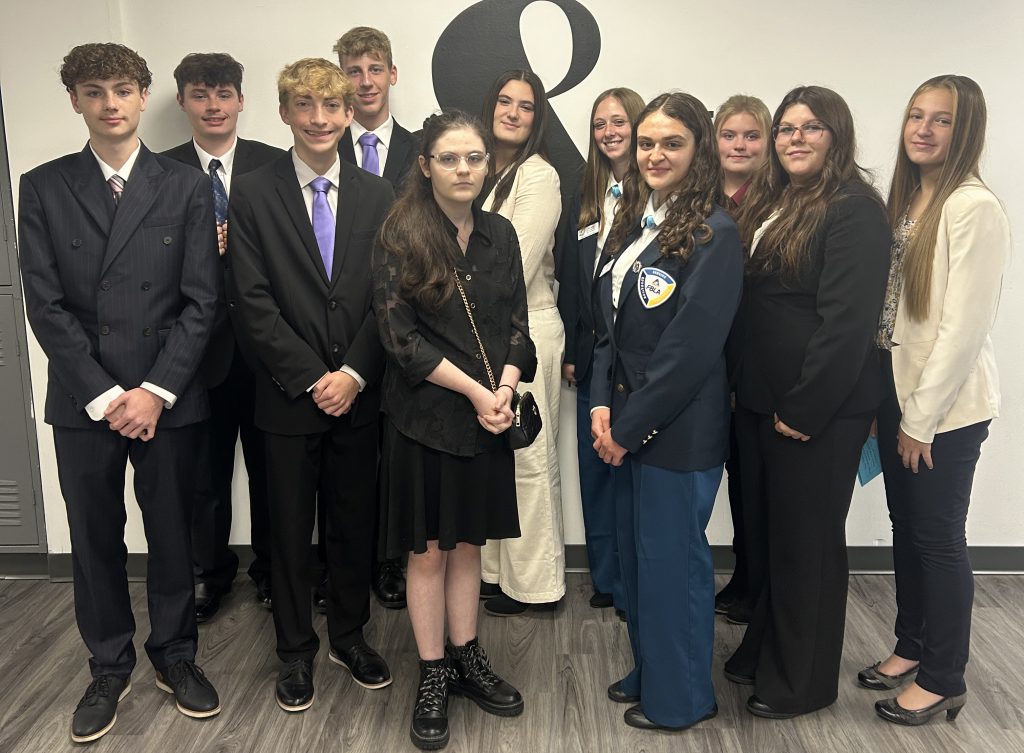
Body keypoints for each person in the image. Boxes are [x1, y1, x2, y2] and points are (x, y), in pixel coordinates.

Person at [18, 42, 221, 743]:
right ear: (74, 99)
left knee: (172, 535)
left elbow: (202, 301)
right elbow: (44, 306)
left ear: (142, 96)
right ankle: (109, 663)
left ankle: (176, 655)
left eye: (124, 89)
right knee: (93, 539)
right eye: (95, 91)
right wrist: (108, 395)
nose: (111, 103)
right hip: (85, 400)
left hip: (167, 396)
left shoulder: (186, 185)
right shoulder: (42, 186)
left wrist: (155, 390)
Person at [227, 57, 393, 712]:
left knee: (355, 526)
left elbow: (390, 299)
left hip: (359, 395)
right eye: (304, 105)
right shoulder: (254, 191)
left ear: (350, 114)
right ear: (285, 112)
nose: (319, 119)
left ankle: (349, 634)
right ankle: (295, 651)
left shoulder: (381, 196)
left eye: (331, 107)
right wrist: (311, 377)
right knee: (290, 533)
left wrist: (352, 373)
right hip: (286, 397)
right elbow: (250, 300)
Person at [723, 85, 890, 718]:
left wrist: (804, 408)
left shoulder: (854, 210)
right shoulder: (783, 200)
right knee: (770, 541)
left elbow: (847, 326)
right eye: (787, 128)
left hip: (813, 411)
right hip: (764, 401)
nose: (795, 138)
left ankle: (802, 683)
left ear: (837, 136)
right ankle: (765, 651)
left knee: (807, 548)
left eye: (811, 128)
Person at [372, 109, 535, 751]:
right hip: (424, 421)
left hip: (488, 417)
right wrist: (474, 391)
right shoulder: (399, 234)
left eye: (474, 158)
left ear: (486, 163)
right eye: (449, 158)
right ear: (425, 165)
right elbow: (398, 340)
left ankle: (468, 658)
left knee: (469, 545)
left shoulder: (501, 234)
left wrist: (505, 387)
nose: (464, 169)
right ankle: (433, 672)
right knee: (429, 551)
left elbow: (518, 320)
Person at [859, 75, 1009, 726]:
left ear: (966, 128)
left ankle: (945, 676)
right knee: (906, 529)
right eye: (915, 116)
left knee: (939, 538)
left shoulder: (972, 206)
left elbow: (961, 329)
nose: (922, 128)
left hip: (943, 408)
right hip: (897, 393)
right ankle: (910, 645)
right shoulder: (911, 199)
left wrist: (920, 419)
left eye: (940, 120)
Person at [590, 91, 743, 731]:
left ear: (697, 150)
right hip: (625, 424)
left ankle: (683, 699)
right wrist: (599, 404)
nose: (654, 154)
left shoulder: (715, 232)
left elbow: (689, 351)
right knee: (638, 562)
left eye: (671, 143)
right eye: (647, 142)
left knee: (672, 566)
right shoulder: (633, 218)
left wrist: (625, 429)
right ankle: (653, 668)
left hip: (674, 433)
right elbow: (608, 328)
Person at [162, 51, 285, 621]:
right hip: (195, 352)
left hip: (266, 348)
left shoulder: (274, 164)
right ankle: (210, 573)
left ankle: (271, 570)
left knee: (271, 470)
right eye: (200, 94)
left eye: (223, 94)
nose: (213, 105)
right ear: (184, 101)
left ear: (241, 100)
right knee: (204, 476)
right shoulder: (159, 171)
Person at [331, 25, 415, 611]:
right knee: (343, 454)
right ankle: (344, 565)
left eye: (374, 69)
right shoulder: (317, 146)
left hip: (409, 322)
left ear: (392, 74)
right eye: (353, 71)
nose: (365, 81)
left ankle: (390, 561)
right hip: (339, 325)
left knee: (396, 449)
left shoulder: (421, 148)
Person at [478, 69, 565, 616]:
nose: (512, 112)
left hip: (527, 327)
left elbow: (517, 264)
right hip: (479, 331)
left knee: (527, 458)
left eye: (526, 106)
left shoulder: (539, 176)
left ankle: (535, 585)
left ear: (537, 119)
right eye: (504, 101)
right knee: (491, 460)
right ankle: (493, 572)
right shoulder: (482, 169)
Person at [557, 87, 643, 615]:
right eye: (599, 124)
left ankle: (633, 578)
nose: (608, 132)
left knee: (627, 468)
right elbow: (572, 274)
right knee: (594, 469)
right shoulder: (586, 191)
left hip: (634, 358)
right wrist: (570, 345)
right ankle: (607, 577)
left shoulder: (655, 193)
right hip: (591, 353)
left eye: (618, 121)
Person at [712, 94, 772, 625]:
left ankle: (758, 583)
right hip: (713, 363)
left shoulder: (778, 201)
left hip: (755, 361)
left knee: (757, 482)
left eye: (751, 135)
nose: (739, 145)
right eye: (729, 135)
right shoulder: (703, 198)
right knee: (735, 475)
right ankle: (742, 576)